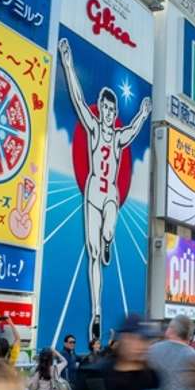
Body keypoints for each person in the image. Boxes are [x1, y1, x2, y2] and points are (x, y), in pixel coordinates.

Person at [57, 36, 152, 342]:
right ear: (103, 111)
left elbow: (136, 128)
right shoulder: (94, 128)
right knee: (93, 254)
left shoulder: (120, 136)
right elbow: (77, 98)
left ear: (115, 113)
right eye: (106, 109)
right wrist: (69, 65)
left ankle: (110, 238)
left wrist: (144, 113)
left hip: (110, 193)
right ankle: (96, 312)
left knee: (108, 231)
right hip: (91, 193)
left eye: (112, 110)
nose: (109, 113)